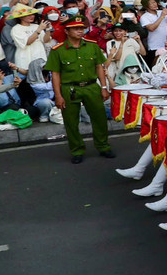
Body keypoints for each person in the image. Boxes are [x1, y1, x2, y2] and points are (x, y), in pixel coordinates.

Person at [44, 14, 115, 164]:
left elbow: (99, 67)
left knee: (100, 118)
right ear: (67, 31)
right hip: (70, 88)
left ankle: (103, 146)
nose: (79, 31)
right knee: (71, 121)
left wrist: (104, 87)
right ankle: (77, 150)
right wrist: (58, 95)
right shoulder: (58, 50)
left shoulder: (92, 46)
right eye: (75, 29)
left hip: (91, 86)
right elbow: (55, 74)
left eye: (81, 28)